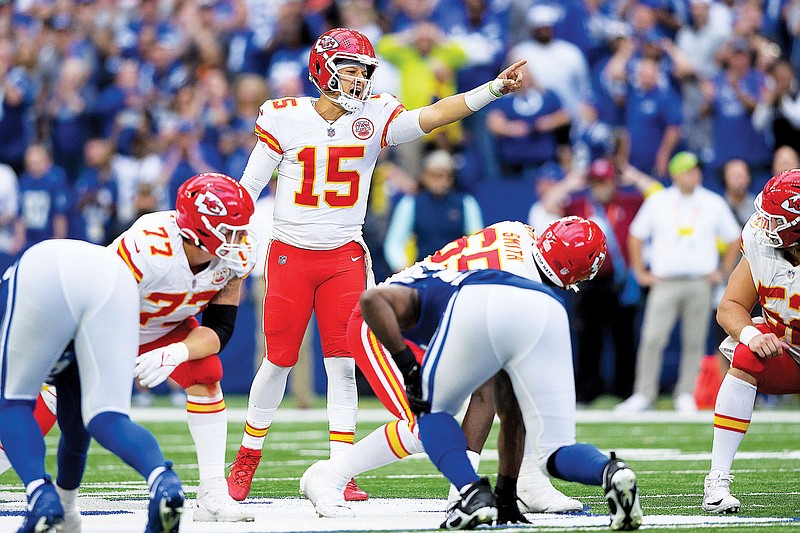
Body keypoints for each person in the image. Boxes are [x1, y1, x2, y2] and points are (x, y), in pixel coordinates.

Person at [226, 26, 526, 502]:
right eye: (351, 71)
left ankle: (340, 470)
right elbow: (248, 189)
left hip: (344, 256)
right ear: (323, 70)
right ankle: (247, 457)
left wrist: (491, 89)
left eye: (365, 73)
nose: (360, 82)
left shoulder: (375, 113)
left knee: (343, 366)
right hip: (290, 254)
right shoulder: (284, 117)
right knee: (278, 362)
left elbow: (433, 116)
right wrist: (231, 237)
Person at [354, 218, 643, 531]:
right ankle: (609, 471)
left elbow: (372, 300)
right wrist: (505, 495)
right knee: (552, 445)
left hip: (473, 301)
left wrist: (410, 368)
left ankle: (468, 492)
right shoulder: (545, 286)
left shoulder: (511, 232)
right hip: (546, 311)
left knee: (433, 410)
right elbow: (509, 409)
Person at [299, 219, 584, 520]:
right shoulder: (519, 287)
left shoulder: (518, 231)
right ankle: (330, 475)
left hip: (430, 326)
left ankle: (526, 482)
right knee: (428, 427)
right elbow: (488, 390)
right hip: (387, 324)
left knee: (507, 386)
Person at [15, 172, 256, 523]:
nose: (240, 239)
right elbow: (102, 305)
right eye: (229, 230)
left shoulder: (236, 257)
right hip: (101, 320)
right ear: (200, 230)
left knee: (207, 372)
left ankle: (212, 491)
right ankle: (59, 499)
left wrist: (176, 352)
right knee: (55, 409)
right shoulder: (150, 246)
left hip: (163, 325)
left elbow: (221, 329)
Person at [0, 239, 184, 533]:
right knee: (104, 417)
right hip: (114, 276)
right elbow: (73, 430)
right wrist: (68, 509)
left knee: (12, 402)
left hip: (46, 272)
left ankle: (39, 497)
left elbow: (13, 406)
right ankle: (163, 479)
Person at [702, 169, 800, 514]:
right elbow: (729, 306)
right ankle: (717, 479)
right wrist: (753, 333)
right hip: (788, 352)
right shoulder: (760, 242)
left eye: (775, 219)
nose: (764, 223)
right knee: (745, 354)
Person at [615, 152, 741, 413]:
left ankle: (685, 392)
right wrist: (641, 272)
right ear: (674, 173)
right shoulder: (658, 201)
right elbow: (635, 236)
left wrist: (722, 271)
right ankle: (643, 393)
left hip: (700, 281)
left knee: (694, 340)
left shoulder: (712, 202)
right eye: (687, 170)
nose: (693, 174)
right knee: (652, 338)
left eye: (696, 170)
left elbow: (733, 237)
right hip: (665, 281)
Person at [383, 149, 483, 272]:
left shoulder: (466, 202)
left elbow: (477, 241)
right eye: (434, 175)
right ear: (425, 176)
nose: (440, 180)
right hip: (421, 271)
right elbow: (394, 242)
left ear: (451, 178)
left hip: (456, 271)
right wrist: (404, 268)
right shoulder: (410, 203)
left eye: (444, 175)